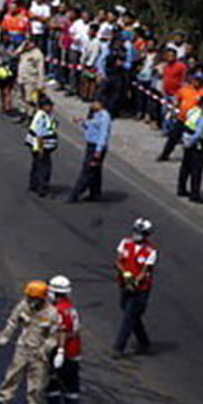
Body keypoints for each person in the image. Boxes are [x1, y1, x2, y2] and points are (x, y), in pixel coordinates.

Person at [0, 280, 61, 404]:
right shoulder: (24, 305)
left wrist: (45, 350)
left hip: (39, 353)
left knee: (36, 386)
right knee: (11, 377)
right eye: (29, 298)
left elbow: (54, 336)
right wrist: (5, 336)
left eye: (33, 299)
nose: (30, 301)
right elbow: (13, 321)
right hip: (23, 348)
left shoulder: (52, 314)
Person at [112, 218, 157, 357]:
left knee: (129, 316)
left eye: (140, 232)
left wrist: (134, 282)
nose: (136, 234)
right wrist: (127, 277)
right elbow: (118, 261)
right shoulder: (125, 243)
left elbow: (145, 271)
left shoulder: (150, 251)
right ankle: (144, 342)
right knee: (130, 313)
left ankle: (119, 347)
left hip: (140, 289)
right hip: (125, 284)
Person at [45, 275, 81, 404]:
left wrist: (59, 351)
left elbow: (62, 332)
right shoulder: (70, 307)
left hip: (63, 352)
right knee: (72, 386)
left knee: (53, 385)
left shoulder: (58, 310)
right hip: (75, 350)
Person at [67, 99, 112, 203]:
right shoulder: (95, 114)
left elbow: (103, 134)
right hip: (91, 144)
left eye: (95, 103)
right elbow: (91, 126)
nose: (92, 105)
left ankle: (75, 194)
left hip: (96, 146)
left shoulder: (105, 117)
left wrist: (98, 150)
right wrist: (81, 122)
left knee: (87, 170)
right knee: (96, 171)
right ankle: (95, 194)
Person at [26, 96, 58, 196]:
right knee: (44, 168)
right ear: (43, 107)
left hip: (42, 146)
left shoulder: (46, 115)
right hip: (41, 146)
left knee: (37, 165)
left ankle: (34, 185)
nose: (51, 107)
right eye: (49, 106)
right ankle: (42, 188)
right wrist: (40, 149)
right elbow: (39, 134)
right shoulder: (41, 117)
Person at [178, 95, 203, 202]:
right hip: (197, 146)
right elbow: (199, 134)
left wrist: (186, 142)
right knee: (196, 171)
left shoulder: (193, 111)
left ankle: (181, 189)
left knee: (185, 167)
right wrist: (191, 142)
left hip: (187, 143)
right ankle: (195, 195)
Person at [16, 39, 46, 117]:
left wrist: (40, 84)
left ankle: (30, 114)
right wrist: (23, 47)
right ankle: (23, 112)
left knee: (29, 98)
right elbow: (16, 53)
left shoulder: (38, 54)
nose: (29, 45)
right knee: (20, 96)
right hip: (21, 77)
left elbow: (40, 70)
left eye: (30, 43)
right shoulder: (24, 51)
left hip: (31, 79)